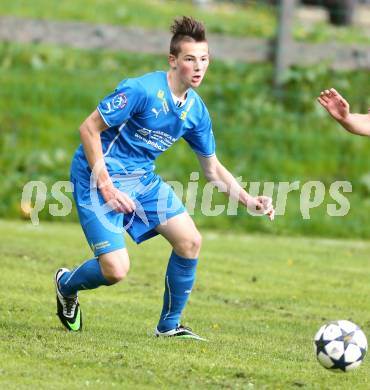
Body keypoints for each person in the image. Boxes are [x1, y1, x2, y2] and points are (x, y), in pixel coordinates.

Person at [55, 16, 275, 339]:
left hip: (141, 179)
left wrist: (249, 201)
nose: (198, 67)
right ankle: (65, 285)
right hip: (96, 175)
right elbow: (88, 128)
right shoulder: (141, 90)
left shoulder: (196, 111)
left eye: (204, 59)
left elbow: (212, 169)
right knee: (116, 270)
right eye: (189, 59)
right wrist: (106, 185)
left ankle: (168, 327)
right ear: (173, 61)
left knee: (190, 241)